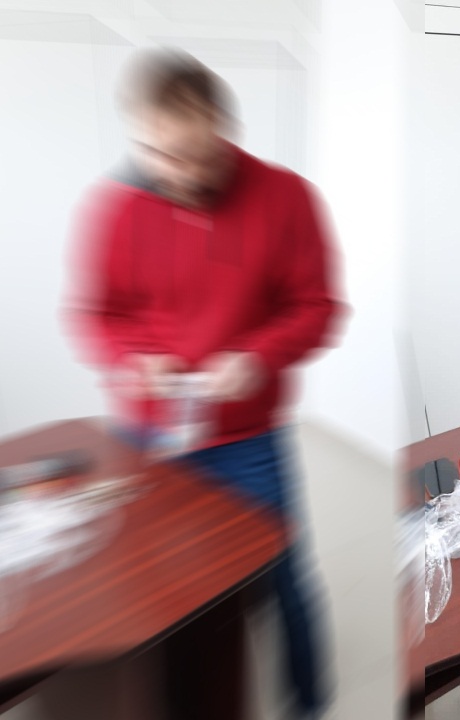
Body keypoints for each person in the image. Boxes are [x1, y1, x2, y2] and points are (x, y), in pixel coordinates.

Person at [67, 47, 342, 719]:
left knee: (283, 576)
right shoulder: (116, 208)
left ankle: (309, 702)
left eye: (194, 156)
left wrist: (257, 356)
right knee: (155, 584)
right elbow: (94, 314)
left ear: (224, 131)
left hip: (247, 437)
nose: (177, 173)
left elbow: (317, 307)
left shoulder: (285, 196)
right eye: (158, 155)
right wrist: (135, 358)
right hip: (149, 433)